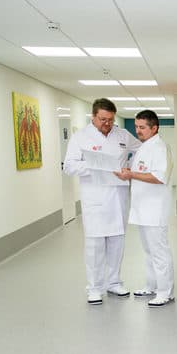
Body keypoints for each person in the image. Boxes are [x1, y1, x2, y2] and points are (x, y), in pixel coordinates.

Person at [64, 98, 141, 305]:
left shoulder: (122, 134)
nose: (107, 123)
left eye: (110, 120)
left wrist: (130, 166)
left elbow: (141, 149)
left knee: (117, 242)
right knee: (95, 246)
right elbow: (69, 166)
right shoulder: (81, 137)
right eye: (103, 119)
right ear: (93, 116)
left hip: (118, 197)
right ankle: (94, 288)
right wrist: (94, 166)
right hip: (95, 197)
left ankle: (114, 282)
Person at [116, 110, 175, 308]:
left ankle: (165, 292)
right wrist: (129, 172)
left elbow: (159, 177)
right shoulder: (145, 146)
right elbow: (140, 171)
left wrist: (131, 175)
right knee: (149, 251)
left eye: (142, 127)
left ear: (154, 128)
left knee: (159, 253)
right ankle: (151, 286)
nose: (138, 130)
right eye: (136, 126)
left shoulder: (159, 147)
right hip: (143, 209)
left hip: (154, 210)